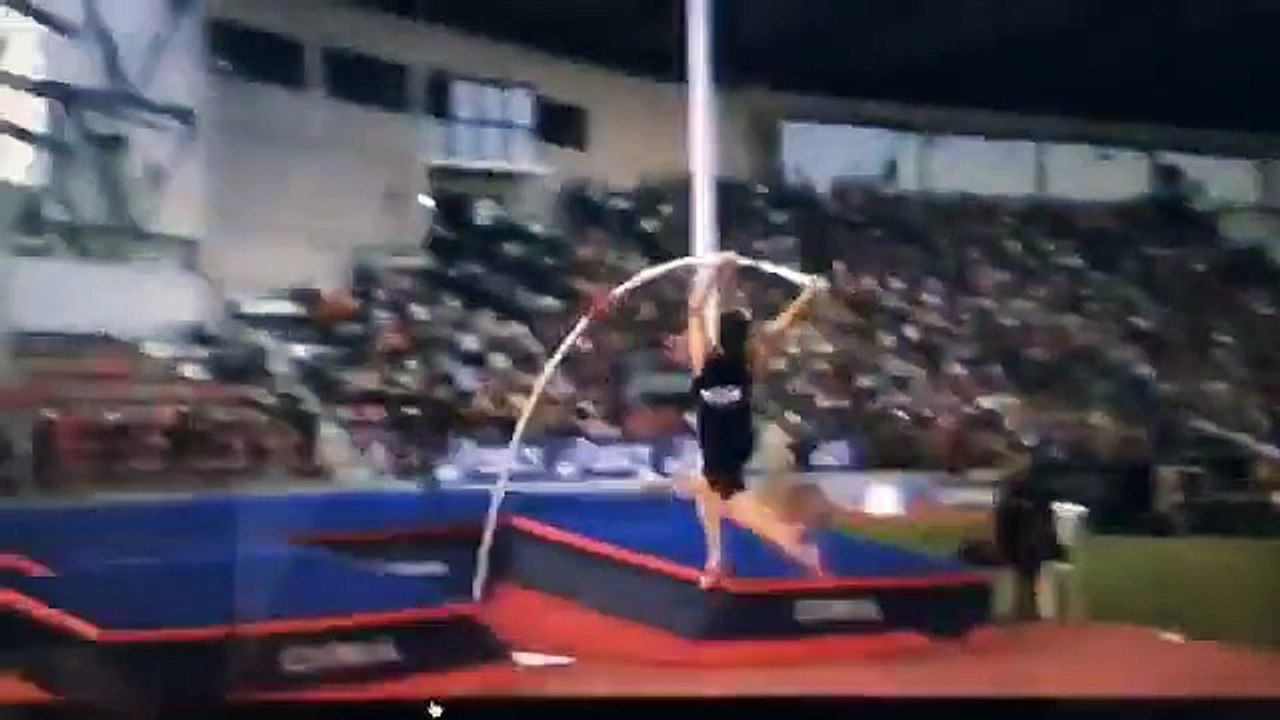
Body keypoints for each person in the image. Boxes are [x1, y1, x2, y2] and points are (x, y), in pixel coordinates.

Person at [684, 254, 826, 587]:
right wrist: (809, 293)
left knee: (728, 499)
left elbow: (694, 308)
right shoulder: (752, 358)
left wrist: (713, 272)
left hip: (717, 437)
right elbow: (786, 321)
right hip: (738, 434)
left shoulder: (704, 360)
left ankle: (794, 544)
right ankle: (716, 559)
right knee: (707, 492)